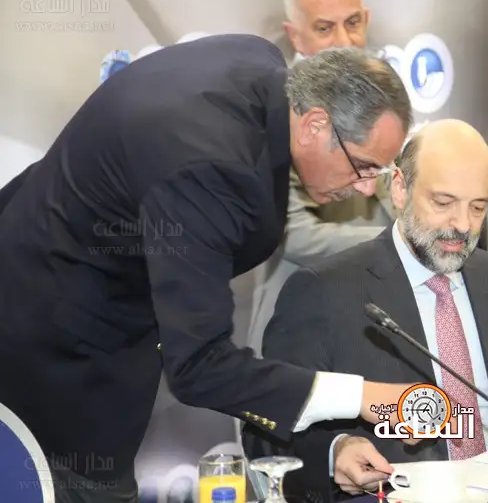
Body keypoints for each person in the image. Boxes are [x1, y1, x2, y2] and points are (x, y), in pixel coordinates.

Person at [0, 36, 421, 503]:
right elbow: (199, 366)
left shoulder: (260, 64)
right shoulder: (210, 168)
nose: (366, 189)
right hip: (50, 348)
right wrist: (362, 398)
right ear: (314, 124)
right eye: (363, 166)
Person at [257, 119, 488, 500]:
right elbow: (267, 428)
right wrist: (335, 452)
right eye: (443, 203)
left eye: (478, 207)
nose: (462, 225)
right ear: (400, 188)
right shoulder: (325, 290)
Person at [248, 0, 393, 348]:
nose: (343, 41)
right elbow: (295, 236)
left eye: (352, 23)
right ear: (295, 35)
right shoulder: (277, 107)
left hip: (379, 322)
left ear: (367, 20)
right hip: (296, 323)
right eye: (325, 28)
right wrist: (401, 242)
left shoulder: (388, 92)